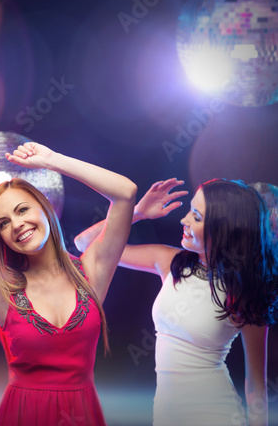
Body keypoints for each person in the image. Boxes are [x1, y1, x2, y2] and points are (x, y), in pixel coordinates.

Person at [0, 141, 137, 426]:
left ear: (45, 208)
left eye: (22, 210)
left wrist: (53, 160)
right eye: (3, 223)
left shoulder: (92, 271)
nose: (16, 224)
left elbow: (126, 193)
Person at [74, 178, 278, 426]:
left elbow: (256, 387)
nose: (184, 220)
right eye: (190, 211)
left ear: (225, 229)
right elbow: (85, 244)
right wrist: (136, 213)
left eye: (197, 217)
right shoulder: (171, 262)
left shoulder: (245, 291)